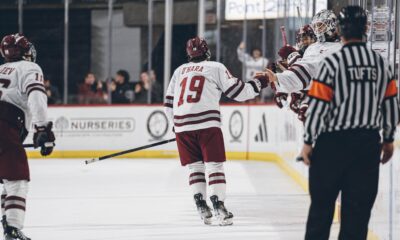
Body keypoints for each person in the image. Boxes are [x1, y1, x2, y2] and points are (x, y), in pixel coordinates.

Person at [300, 6, 399, 239]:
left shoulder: (330, 63)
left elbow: (317, 107)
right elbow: (391, 104)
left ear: (340, 30)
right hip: (367, 146)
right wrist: (388, 140)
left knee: (321, 212)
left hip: (331, 146)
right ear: (366, 29)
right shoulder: (380, 64)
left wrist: (307, 141)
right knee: (357, 215)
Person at [164, 37, 268, 226]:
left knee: (195, 167)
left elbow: (168, 103)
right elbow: (239, 92)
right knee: (214, 166)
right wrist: (259, 83)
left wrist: (176, 126)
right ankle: (218, 205)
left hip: (182, 126)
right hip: (207, 124)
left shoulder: (179, 71)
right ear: (206, 52)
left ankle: (201, 205)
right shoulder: (215, 67)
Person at [0, 34, 55, 240]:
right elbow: (36, 96)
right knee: (16, 178)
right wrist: (42, 129)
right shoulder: (30, 68)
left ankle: (8, 221)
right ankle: (12, 228)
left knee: (7, 178)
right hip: (5, 125)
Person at [256, 9, 342, 121]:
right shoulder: (313, 47)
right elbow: (303, 75)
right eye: (315, 26)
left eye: (321, 26)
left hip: (333, 106)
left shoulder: (338, 48)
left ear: (332, 25)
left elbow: (308, 72)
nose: (318, 30)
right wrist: (281, 81)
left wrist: (281, 76)